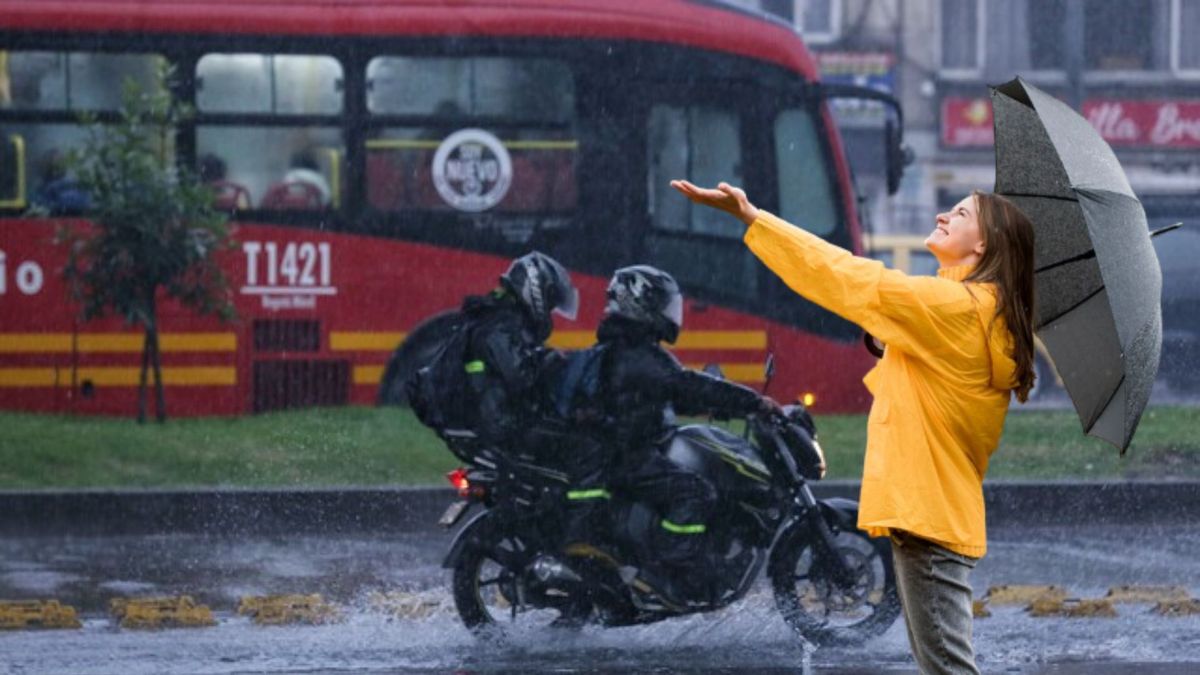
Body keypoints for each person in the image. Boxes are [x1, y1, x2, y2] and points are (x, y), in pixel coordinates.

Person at [672, 180, 1035, 674]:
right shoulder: (971, 312)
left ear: (983, 245)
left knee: (948, 667)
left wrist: (755, 218)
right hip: (932, 513)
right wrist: (888, 339)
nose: (945, 215)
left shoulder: (956, 309)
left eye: (961, 213)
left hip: (928, 516)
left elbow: (846, 275)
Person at [568, 264, 779, 605]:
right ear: (639, 305)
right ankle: (671, 569)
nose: (671, 314)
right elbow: (687, 385)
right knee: (696, 493)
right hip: (627, 455)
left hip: (631, 446)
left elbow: (674, 395)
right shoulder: (637, 354)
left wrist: (727, 406)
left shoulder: (630, 348)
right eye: (664, 305)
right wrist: (752, 401)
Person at [461, 251, 578, 453]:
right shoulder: (500, 325)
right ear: (534, 289)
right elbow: (519, 377)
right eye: (550, 303)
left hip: (501, 419)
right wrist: (552, 361)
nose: (549, 312)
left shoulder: (505, 321)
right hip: (502, 424)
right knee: (584, 443)